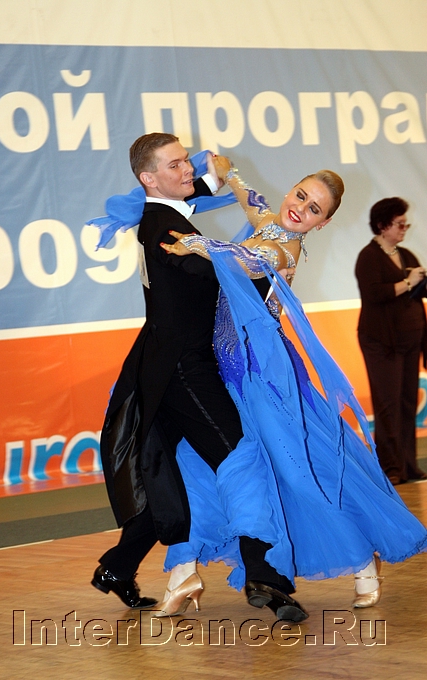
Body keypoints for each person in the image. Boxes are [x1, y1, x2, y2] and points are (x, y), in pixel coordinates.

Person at [158, 164, 427, 614]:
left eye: (314, 209)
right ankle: (183, 571)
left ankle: (362, 560)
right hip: (223, 372)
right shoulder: (270, 222)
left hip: (264, 376)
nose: (301, 208)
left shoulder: (284, 251)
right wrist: (231, 174)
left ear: (323, 223)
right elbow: (254, 202)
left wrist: (199, 244)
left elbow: (245, 260)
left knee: (296, 473)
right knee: (195, 461)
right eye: (300, 195)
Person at [88, 133, 308, 622]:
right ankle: (263, 575)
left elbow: (190, 199)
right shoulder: (163, 228)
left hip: (164, 368)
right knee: (241, 458)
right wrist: (271, 257)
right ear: (148, 178)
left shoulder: (162, 214)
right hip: (185, 369)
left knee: (172, 475)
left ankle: (117, 568)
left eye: (187, 160)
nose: (188, 169)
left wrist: (216, 178)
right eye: (176, 164)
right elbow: (223, 273)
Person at [355, 197, 427, 486]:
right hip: (382, 342)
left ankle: (409, 465)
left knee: (408, 402)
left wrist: (419, 281)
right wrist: (409, 281)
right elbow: (376, 294)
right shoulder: (368, 257)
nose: (404, 229)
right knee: (387, 405)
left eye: (405, 224)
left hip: (410, 339)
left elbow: (418, 290)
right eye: (400, 224)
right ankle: (390, 467)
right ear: (383, 225)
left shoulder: (406, 255)